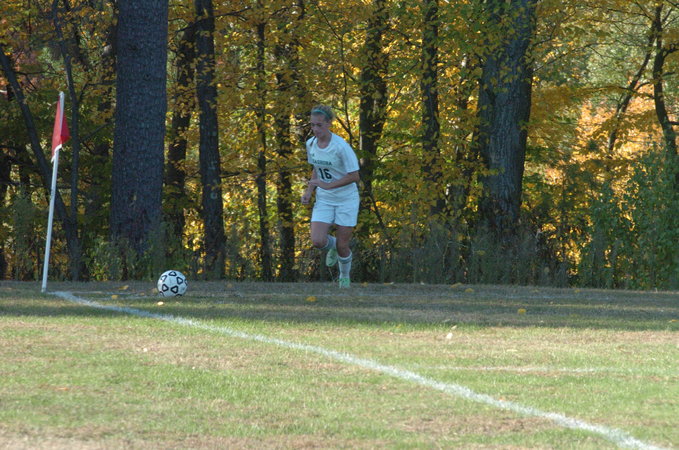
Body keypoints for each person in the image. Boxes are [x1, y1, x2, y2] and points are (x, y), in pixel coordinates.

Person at [301, 105, 360, 288]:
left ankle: (344, 278)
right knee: (318, 241)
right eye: (312, 125)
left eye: (319, 125)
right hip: (325, 199)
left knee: (343, 245)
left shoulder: (341, 147)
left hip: (346, 199)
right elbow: (317, 168)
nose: (315, 129)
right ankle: (332, 246)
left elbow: (354, 176)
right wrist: (309, 191)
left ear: (328, 124)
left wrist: (328, 185)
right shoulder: (311, 144)